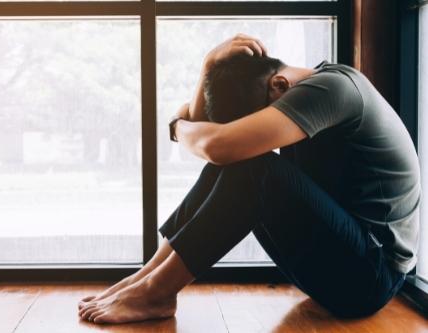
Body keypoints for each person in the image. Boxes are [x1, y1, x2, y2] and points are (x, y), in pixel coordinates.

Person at [77, 34, 421, 324]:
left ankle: (158, 292)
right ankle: (147, 278)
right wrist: (208, 65)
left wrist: (176, 126)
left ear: (279, 85)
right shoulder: (293, 88)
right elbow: (213, 140)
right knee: (234, 161)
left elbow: (215, 143)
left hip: (371, 278)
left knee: (252, 167)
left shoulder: (333, 90)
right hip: (340, 265)